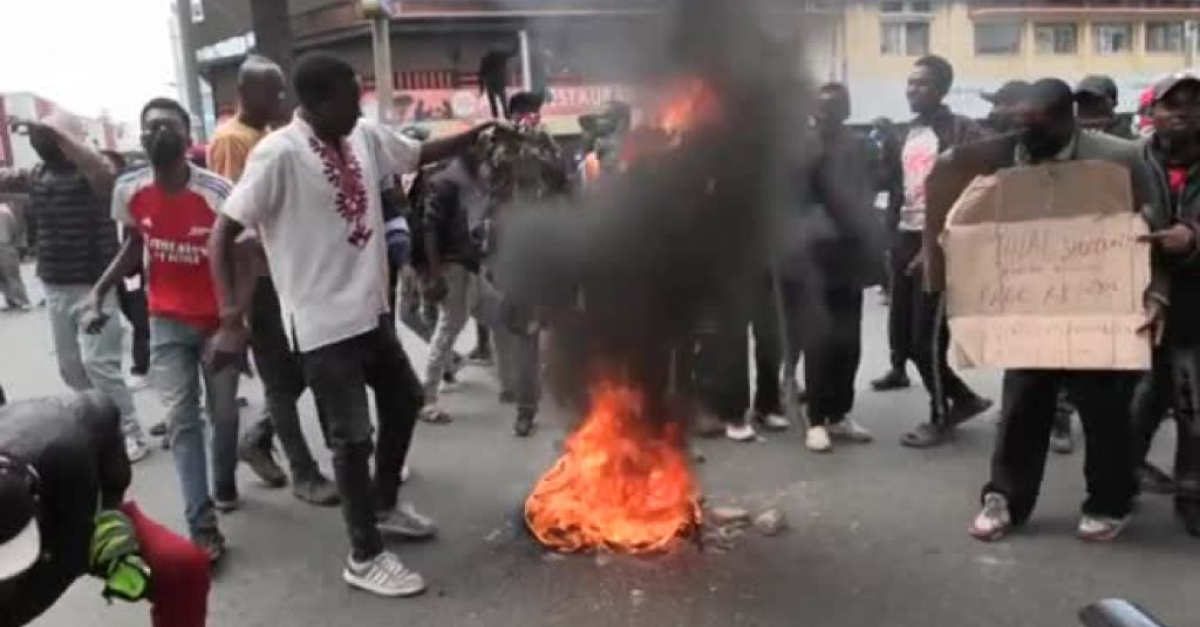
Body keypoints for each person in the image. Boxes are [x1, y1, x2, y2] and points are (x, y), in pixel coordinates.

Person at [208, 52, 495, 597]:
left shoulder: (361, 136)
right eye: (348, 100)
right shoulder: (278, 154)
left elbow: (416, 152)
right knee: (352, 438)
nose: (358, 109)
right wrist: (229, 319)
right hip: (321, 324)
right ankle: (364, 555)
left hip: (370, 314)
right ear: (314, 103)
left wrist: (475, 134)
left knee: (405, 399)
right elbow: (222, 233)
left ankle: (383, 505)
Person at [924, 79, 1155, 542]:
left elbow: (1153, 213)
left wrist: (1133, 239)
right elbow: (961, 210)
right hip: (1030, 306)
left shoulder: (1119, 157)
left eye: (1039, 126)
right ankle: (1005, 498)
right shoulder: (1000, 155)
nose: (1027, 136)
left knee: (1102, 411)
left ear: (1069, 118)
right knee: (1022, 405)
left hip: (1097, 306)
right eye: (1021, 125)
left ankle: (1109, 502)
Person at [85, 98, 241, 563]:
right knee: (181, 421)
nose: (158, 133)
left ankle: (224, 481)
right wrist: (99, 291)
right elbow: (136, 244)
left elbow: (246, 257)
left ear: (188, 135)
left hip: (216, 322)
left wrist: (237, 323)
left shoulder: (217, 192)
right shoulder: (129, 189)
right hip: (166, 321)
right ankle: (202, 525)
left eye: (167, 125)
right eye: (149, 127)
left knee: (224, 415)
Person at [207, 56, 339, 507]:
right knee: (282, 379)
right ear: (245, 93)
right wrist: (235, 308)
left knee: (305, 367)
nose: (281, 99)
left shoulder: (267, 134)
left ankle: (258, 438)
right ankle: (303, 471)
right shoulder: (232, 141)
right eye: (272, 91)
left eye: (282, 91)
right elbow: (234, 222)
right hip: (260, 280)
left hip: (287, 273)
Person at [0, 112, 148, 462]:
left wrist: (54, 129)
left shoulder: (96, 171)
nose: (42, 137)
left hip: (95, 286)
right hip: (55, 285)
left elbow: (98, 169)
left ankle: (130, 432)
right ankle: (102, 425)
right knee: (70, 367)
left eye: (51, 132)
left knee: (100, 364)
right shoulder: (38, 174)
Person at [0, 392, 210, 627]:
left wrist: (108, 510)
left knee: (182, 566)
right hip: (54, 527)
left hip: (77, 508)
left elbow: (101, 407)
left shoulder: (65, 444)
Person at [873, 55, 992, 447]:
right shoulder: (902, 135)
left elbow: (978, 189)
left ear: (942, 89)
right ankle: (966, 399)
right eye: (910, 83)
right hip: (904, 239)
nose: (912, 90)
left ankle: (940, 416)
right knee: (905, 342)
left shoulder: (963, 130)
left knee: (926, 340)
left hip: (940, 241)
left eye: (922, 83)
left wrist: (938, 240)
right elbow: (890, 185)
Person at [796, 83, 884, 452]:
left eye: (832, 107)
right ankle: (816, 419)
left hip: (851, 256)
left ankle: (840, 412)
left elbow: (871, 192)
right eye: (819, 107)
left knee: (849, 341)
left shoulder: (861, 147)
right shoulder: (804, 149)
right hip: (816, 257)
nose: (824, 114)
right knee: (820, 341)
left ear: (846, 111)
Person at [1131, 72, 1200, 536]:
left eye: (1194, 104)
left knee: (1192, 401)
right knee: (1140, 398)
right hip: (1138, 298)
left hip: (1195, 303)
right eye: (1172, 104)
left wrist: (1193, 238)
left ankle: (1191, 494)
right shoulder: (1128, 159)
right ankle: (1122, 477)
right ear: (1151, 112)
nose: (1183, 112)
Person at [101, 151, 152, 391]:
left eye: (107, 165)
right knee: (133, 315)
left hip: (140, 270)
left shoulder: (136, 198)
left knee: (141, 319)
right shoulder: (103, 202)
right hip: (119, 272)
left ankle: (142, 367)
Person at [1075, 75, 1133, 139]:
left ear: (1113, 102)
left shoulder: (1132, 126)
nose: (1088, 105)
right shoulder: (1071, 129)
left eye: (1096, 100)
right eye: (1081, 100)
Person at [0, 202, 30, 311]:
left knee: (11, 276)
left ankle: (22, 300)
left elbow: (13, 231)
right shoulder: (6, 211)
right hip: (7, 245)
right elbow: (14, 231)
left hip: (5, 245)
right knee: (7, 276)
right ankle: (13, 300)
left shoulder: (4, 211)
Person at [479, 48, 515, 119]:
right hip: (499, 82)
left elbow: (482, 73)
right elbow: (512, 53)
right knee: (503, 100)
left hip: (490, 82)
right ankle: (507, 115)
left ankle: (495, 115)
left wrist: (481, 87)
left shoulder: (486, 59)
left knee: (493, 101)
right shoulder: (501, 58)